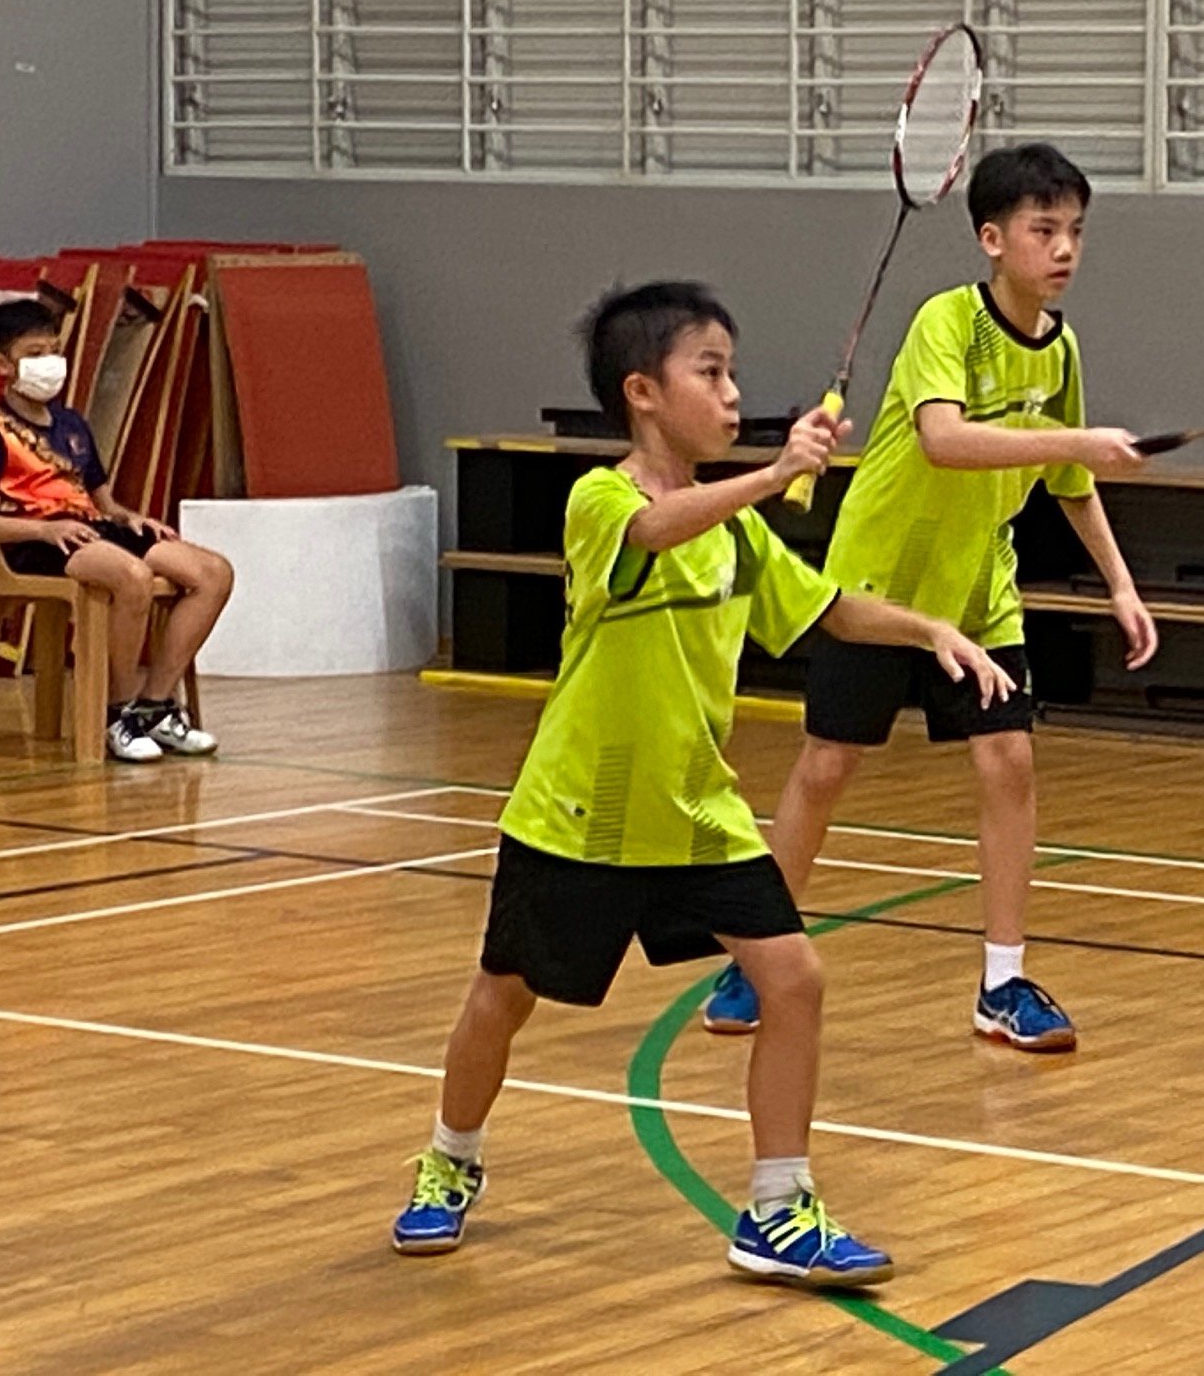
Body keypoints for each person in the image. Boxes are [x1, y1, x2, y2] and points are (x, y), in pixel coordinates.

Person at [391, 282, 1013, 1282]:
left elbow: (826, 611)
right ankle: (448, 1161)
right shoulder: (604, 502)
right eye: (709, 373)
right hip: (582, 813)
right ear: (642, 391)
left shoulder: (730, 530)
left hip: (697, 811)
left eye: (733, 373)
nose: (732, 395)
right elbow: (655, 530)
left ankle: (777, 1206)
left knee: (795, 980)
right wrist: (774, 472)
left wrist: (931, 629)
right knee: (502, 997)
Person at [704, 143, 1159, 1052]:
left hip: (980, 590)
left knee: (1009, 764)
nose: (1064, 248)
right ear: (994, 240)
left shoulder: (1059, 347)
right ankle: (756, 953)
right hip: (880, 580)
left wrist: (1120, 581)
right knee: (828, 768)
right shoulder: (945, 322)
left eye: (1074, 231)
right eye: (1044, 230)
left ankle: (1003, 983)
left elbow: (1071, 478)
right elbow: (946, 440)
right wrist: (1074, 439)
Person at [0, 297, 231, 762]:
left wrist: (127, 517)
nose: (49, 363)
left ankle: (156, 705)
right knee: (132, 579)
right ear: (2, 364)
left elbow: (104, 501)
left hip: (92, 530)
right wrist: (42, 531)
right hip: (34, 539)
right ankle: (115, 713)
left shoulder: (72, 424)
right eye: (34, 354)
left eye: (54, 350)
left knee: (212, 573)